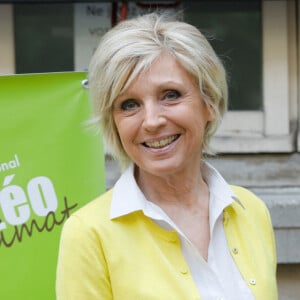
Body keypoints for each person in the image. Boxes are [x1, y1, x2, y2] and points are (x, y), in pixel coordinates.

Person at [56, 12, 277, 300]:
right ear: (115, 123)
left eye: (170, 95)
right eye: (129, 104)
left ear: (209, 103)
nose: (151, 121)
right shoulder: (88, 234)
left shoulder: (252, 211)